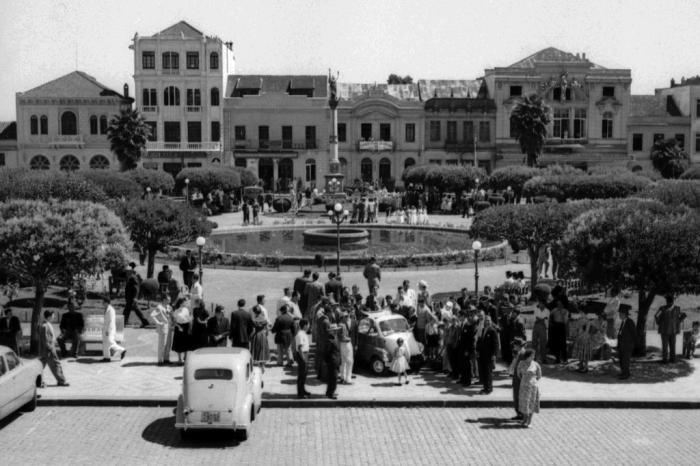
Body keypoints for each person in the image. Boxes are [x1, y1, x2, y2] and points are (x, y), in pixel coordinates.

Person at [37, 310, 69, 386]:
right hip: (49, 349)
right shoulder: (45, 326)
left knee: (40, 367)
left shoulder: (45, 324)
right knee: (56, 364)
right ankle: (61, 381)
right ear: (49, 317)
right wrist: (50, 348)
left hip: (45, 350)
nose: (54, 317)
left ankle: (38, 381)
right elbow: (46, 339)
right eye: (53, 316)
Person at [517, 349, 542, 427]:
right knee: (524, 403)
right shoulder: (521, 363)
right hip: (524, 386)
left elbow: (539, 375)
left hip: (532, 387)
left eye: (534, 355)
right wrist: (525, 380)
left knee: (531, 403)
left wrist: (532, 380)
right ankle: (524, 420)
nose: (533, 357)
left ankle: (529, 422)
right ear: (527, 356)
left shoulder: (536, 364)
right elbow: (518, 374)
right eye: (532, 355)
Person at [655, 295, 682, 364]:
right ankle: (668, 359)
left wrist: (659, 323)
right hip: (668, 331)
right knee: (667, 346)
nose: (670, 303)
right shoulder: (665, 308)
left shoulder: (675, 309)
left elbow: (657, 316)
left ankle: (669, 359)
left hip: (669, 330)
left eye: (670, 301)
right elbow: (656, 316)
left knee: (669, 346)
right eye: (669, 301)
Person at [476, 315, 499, 394]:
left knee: (488, 373)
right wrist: (478, 350)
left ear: (491, 321)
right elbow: (480, 341)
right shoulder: (483, 330)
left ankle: (489, 389)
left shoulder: (493, 331)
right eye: (486, 320)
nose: (487, 322)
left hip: (489, 355)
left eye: (489, 320)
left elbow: (496, 344)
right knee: (484, 372)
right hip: (482, 355)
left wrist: (494, 355)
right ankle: (485, 387)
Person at [124, 262, 148, 328]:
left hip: (132, 297)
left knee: (133, 309)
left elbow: (136, 288)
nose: (126, 272)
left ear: (130, 271)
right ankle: (124, 321)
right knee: (128, 309)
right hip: (130, 297)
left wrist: (135, 297)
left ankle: (145, 322)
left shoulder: (133, 278)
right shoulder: (130, 277)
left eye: (127, 271)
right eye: (126, 271)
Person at [101, 296, 126, 362]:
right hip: (106, 329)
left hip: (110, 330)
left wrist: (107, 330)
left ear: (106, 302)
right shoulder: (107, 309)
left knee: (110, 342)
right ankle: (106, 357)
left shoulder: (111, 310)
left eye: (103, 302)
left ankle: (122, 350)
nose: (102, 303)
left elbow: (111, 321)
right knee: (105, 343)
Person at [509, 337, 528, 421]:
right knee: (516, 397)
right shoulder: (520, 353)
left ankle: (522, 415)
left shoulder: (523, 354)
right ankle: (519, 414)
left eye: (515, 345)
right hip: (517, 378)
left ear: (518, 345)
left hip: (520, 379)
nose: (513, 346)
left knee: (519, 397)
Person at [150, 296, 172, 365]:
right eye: (168, 300)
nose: (169, 301)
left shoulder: (169, 307)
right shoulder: (159, 307)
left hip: (169, 326)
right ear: (164, 300)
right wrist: (158, 322)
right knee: (162, 344)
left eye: (169, 300)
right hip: (163, 327)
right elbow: (152, 315)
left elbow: (170, 315)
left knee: (168, 344)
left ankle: (166, 359)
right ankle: (160, 360)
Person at [617, 307, 636, 379]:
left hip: (627, 345)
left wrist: (631, 344)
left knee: (625, 360)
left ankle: (626, 374)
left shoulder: (630, 322)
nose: (619, 315)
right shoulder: (623, 322)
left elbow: (634, 334)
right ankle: (623, 373)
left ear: (624, 314)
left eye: (620, 314)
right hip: (622, 345)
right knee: (622, 360)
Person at [294, 319, 312, 399]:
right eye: (308, 324)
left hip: (305, 354)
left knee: (304, 374)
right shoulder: (300, 334)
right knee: (301, 375)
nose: (309, 326)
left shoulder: (303, 333)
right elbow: (300, 347)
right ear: (305, 325)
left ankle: (303, 390)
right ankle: (300, 393)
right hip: (302, 355)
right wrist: (303, 359)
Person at [171, 297, 191, 364]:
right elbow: (174, 321)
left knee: (186, 343)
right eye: (184, 302)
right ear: (180, 303)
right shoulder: (176, 311)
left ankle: (185, 357)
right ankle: (179, 359)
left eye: (185, 302)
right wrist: (178, 327)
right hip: (178, 327)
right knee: (178, 343)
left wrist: (189, 328)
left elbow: (189, 319)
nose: (185, 303)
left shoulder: (186, 310)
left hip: (186, 326)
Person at [549, 299, 569, 364]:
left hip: (562, 327)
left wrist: (561, 313)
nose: (559, 305)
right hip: (555, 327)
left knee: (563, 344)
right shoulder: (554, 310)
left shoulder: (565, 311)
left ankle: (565, 359)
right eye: (558, 304)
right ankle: (557, 359)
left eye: (560, 304)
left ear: (563, 305)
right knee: (556, 344)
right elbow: (550, 316)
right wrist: (551, 323)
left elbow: (565, 321)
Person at [337, 309, 354, 384]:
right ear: (342, 317)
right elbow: (342, 337)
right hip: (345, 344)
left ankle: (342, 377)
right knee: (349, 361)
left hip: (342, 345)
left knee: (343, 362)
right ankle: (348, 379)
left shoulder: (340, 324)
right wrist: (349, 339)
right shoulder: (342, 325)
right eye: (345, 316)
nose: (347, 317)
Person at [324, 333, 340, 399]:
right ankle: (331, 393)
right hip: (332, 363)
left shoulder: (333, 342)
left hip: (334, 363)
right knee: (333, 379)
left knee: (332, 378)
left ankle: (329, 392)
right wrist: (329, 361)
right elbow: (326, 353)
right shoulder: (330, 342)